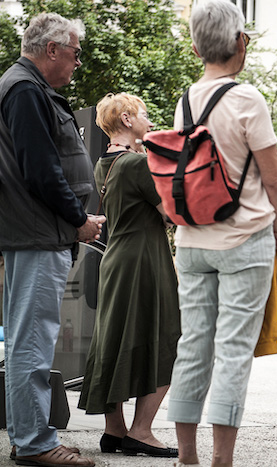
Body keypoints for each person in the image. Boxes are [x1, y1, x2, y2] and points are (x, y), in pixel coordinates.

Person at [166, 1, 277, 466]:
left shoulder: (185, 101)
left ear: (195, 47)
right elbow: (273, 179)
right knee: (233, 350)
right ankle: (222, 460)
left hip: (192, 240)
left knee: (192, 345)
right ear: (242, 42)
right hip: (243, 239)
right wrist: (274, 225)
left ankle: (186, 456)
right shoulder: (247, 98)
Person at [0, 12, 104, 467]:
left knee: (30, 339)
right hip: (38, 233)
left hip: (35, 232)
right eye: (77, 52)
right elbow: (41, 169)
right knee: (32, 342)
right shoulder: (25, 89)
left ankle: (31, 437)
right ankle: (35, 443)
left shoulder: (26, 87)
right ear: (53, 49)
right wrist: (78, 218)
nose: (78, 62)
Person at [77, 93, 181, 457]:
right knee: (165, 335)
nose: (150, 122)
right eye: (145, 115)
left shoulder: (104, 163)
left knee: (115, 339)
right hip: (144, 261)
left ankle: (115, 430)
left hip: (115, 261)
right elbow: (171, 214)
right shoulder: (138, 164)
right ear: (126, 118)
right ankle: (141, 431)